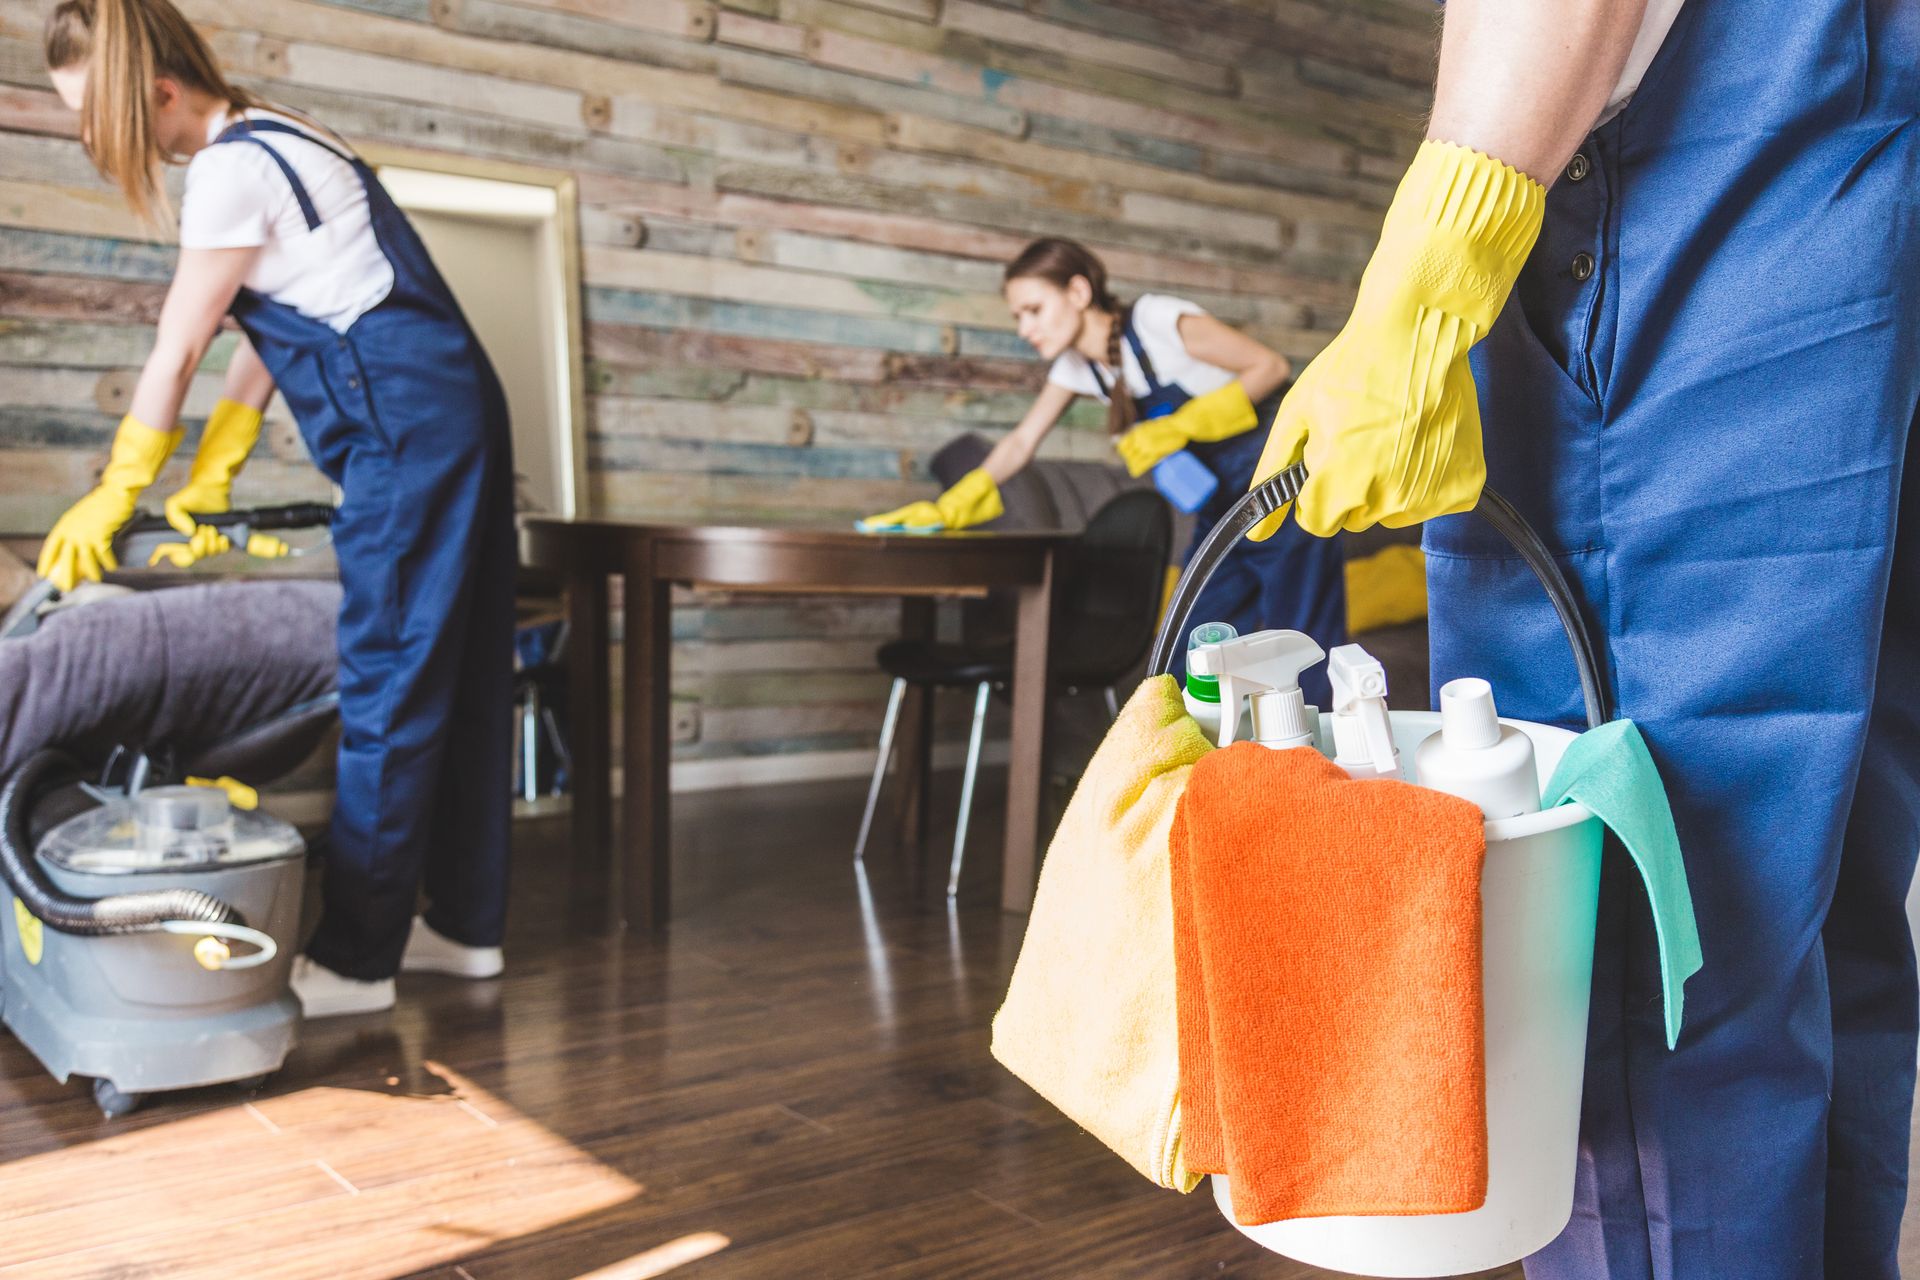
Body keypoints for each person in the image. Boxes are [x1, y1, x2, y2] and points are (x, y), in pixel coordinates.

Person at [1249, 0, 1920, 1274]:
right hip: (1872, 234)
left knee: (1636, 948)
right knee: (1813, 915)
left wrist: (1428, 271)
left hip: (1713, 226)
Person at [39, 0, 519, 1017]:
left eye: (93, 116)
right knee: (469, 669)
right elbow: (275, 321)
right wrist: (218, 461)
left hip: (404, 435)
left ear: (154, 94)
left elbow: (178, 346)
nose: (92, 139)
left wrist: (119, 492)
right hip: (455, 411)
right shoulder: (278, 132)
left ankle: (356, 959)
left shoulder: (226, 170)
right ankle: (467, 926)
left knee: (386, 680)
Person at [864, 237, 1348, 698]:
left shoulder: (1156, 320)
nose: (1024, 328)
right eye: (1018, 316)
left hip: (1278, 489)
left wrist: (1182, 425)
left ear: (1078, 291)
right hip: (1224, 508)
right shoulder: (1079, 368)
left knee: (1303, 636)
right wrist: (950, 506)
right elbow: (1020, 441)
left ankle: (1330, 772)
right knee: (1190, 645)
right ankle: (1190, 770)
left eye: (1033, 310)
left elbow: (1269, 366)